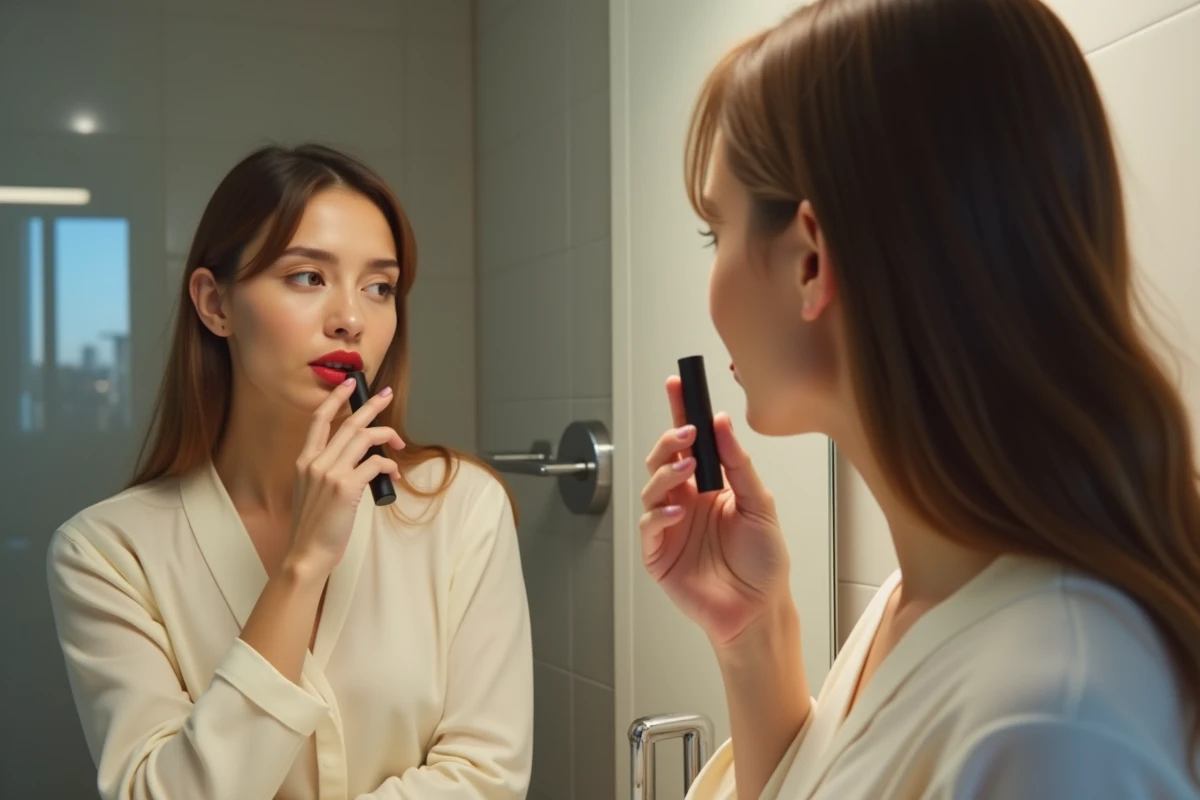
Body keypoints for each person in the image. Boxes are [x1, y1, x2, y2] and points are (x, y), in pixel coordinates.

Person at [639, 0, 1200, 797]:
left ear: (809, 260)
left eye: (714, 232)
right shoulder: (935, 592)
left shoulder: (1054, 721)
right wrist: (751, 634)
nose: (710, 284)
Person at [45, 144, 533, 800]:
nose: (352, 318)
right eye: (308, 277)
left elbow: (486, 777)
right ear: (215, 304)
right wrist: (300, 570)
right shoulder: (107, 554)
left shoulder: (461, 508)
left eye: (379, 286)